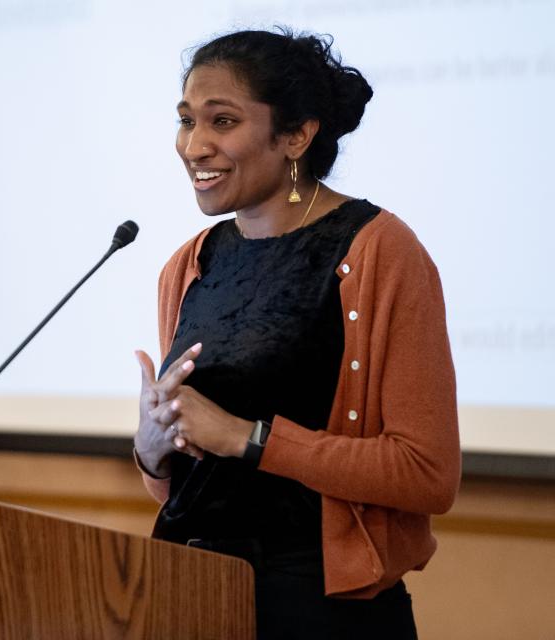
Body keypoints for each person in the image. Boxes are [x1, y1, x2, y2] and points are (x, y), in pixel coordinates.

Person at [132, 29, 460, 639]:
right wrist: (153, 447)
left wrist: (246, 439)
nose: (194, 146)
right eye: (185, 121)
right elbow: (179, 488)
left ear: (296, 136)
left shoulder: (379, 250)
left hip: (322, 606)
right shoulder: (188, 264)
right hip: (193, 590)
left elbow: (427, 473)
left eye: (221, 121)